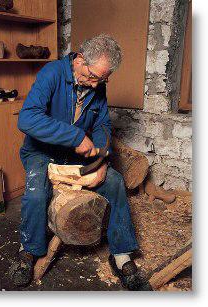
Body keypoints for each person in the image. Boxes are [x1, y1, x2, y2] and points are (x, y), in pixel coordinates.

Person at [9, 34, 152, 291]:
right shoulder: (51, 74)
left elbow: (103, 126)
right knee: (37, 191)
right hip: (42, 152)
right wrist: (75, 136)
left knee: (115, 182)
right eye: (95, 77)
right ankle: (28, 251)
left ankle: (121, 256)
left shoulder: (97, 84)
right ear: (80, 60)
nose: (97, 85)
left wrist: (101, 161)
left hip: (74, 157)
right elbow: (27, 119)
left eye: (103, 79)